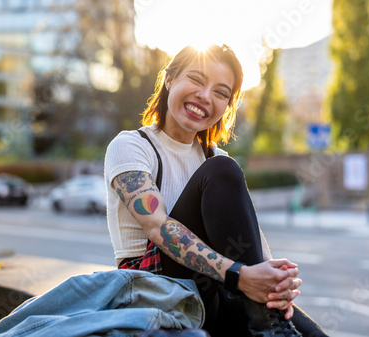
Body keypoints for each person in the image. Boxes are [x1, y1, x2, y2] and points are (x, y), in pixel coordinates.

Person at [105, 44, 328, 337]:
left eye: (221, 92)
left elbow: (255, 249)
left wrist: (274, 286)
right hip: (152, 290)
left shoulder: (216, 159)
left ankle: (269, 321)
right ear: (169, 78)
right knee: (221, 170)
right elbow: (157, 226)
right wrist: (242, 276)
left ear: (227, 106)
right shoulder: (131, 146)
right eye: (196, 79)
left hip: (217, 291)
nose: (205, 96)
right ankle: (267, 323)